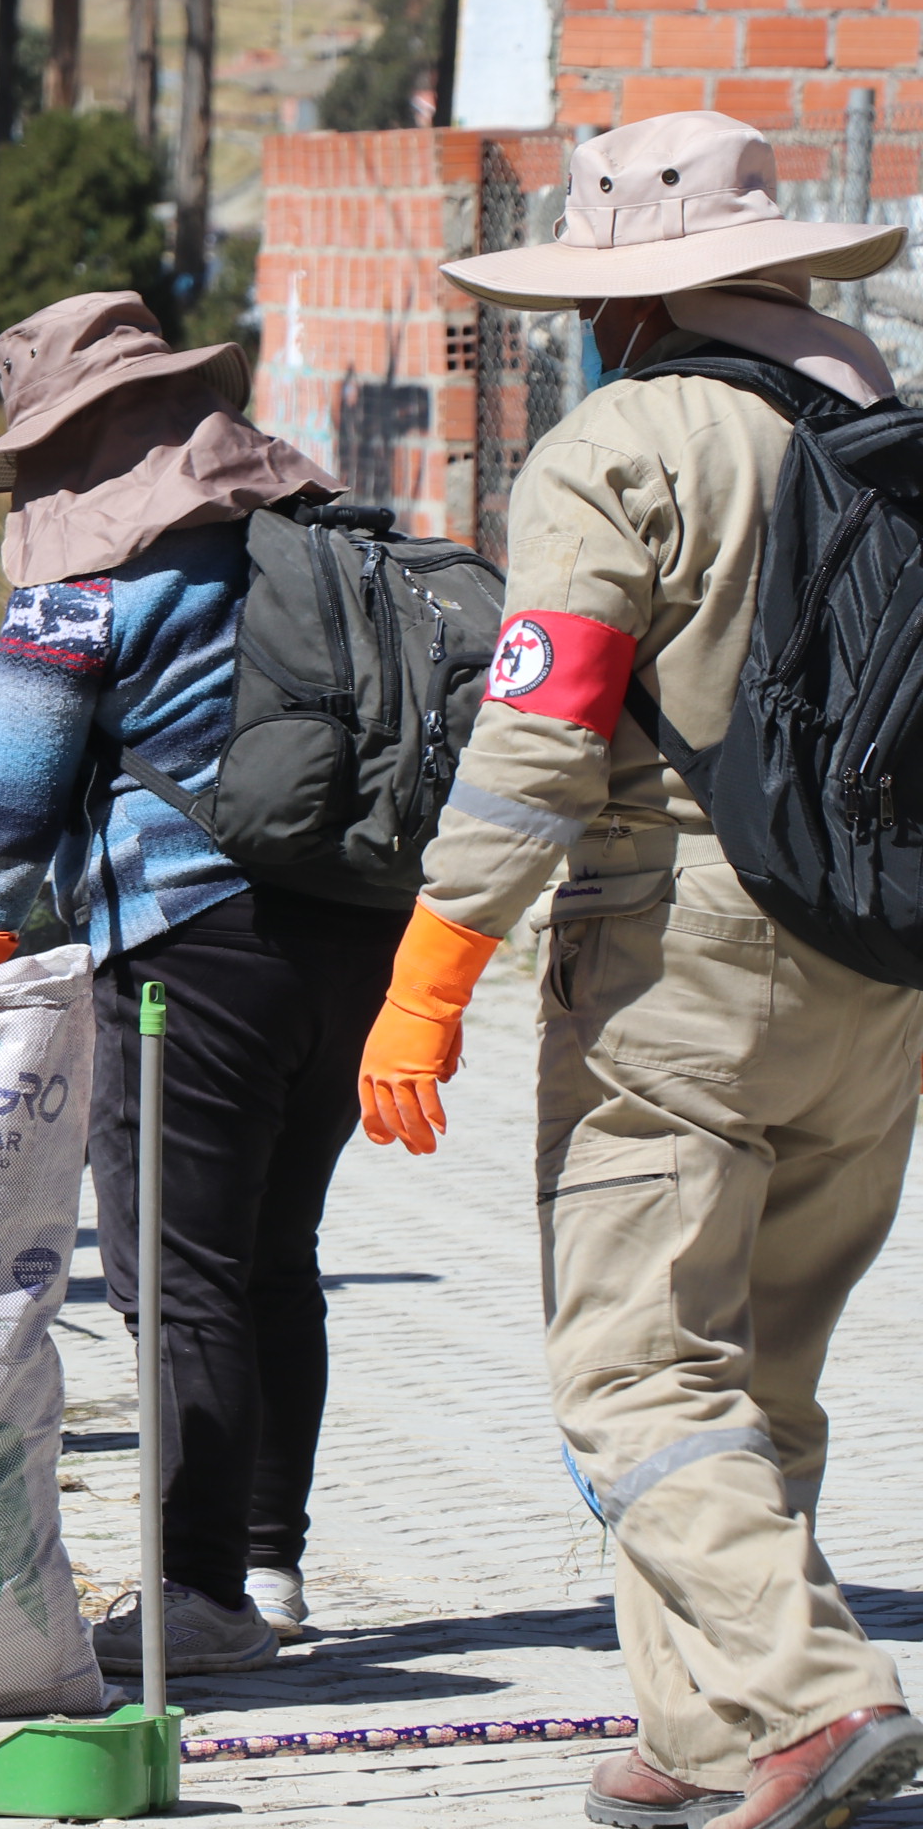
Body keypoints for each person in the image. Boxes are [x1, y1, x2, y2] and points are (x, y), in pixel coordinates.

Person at [366, 112, 923, 1829]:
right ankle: (703, 1728)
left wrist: (433, 966)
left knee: (626, 1369)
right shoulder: (889, 431)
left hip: (679, 966)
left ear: (621, 302)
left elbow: (539, 736)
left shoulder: (627, 442)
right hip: (883, 967)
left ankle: (817, 1695)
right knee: (752, 1369)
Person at [0, 291, 387, 1676]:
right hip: (352, 936)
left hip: (189, 949)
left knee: (174, 1275)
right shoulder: (293, 541)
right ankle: (269, 1564)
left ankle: (198, 1597)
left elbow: (15, 805)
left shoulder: (84, 585)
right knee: (273, 1261)